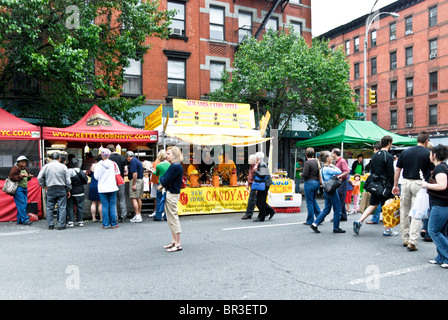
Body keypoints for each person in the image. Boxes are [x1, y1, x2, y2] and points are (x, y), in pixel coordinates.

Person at [393, 131, 432, 251]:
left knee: (404, 211)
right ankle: (412, 241)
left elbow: (398, 170)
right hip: (420, 184)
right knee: (417, 212)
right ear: (426, 141)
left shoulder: (405, 152)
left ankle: (405, 238)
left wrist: (395, 185)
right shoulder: (428, 153)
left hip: (405, 182)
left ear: (417, 140)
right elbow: (431, 172)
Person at [353, 136, 397, 236]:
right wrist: (394, 186)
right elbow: (391, 173)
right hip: (385, 185)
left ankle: (359, 221)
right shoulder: (388, 156)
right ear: (389, 143)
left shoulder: (375, 155)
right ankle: (387, 229)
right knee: (387, 206)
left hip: (375, 184)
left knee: (374, 204)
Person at [421, 144, 448, 269]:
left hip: (440, 205)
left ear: (435, 155)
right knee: (442, 231)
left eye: (431, 153)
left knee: (433, 230)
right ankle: (440, 257)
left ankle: (446, 255)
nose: (429, 155)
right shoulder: (444, 167)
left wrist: (426, 185)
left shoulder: (439, 168)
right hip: (443, 205)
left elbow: (442, 185)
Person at [310, 151, 345, 233]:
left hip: (326, 190)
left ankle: (315, 224)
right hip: (332, 190)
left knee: (327, 209)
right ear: (327, 159)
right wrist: (333, 166)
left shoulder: (322, 168)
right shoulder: (328, 169)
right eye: (330, 157)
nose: (332, 158)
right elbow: (339, 171)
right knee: (337, 209)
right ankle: (336, 227)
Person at [37, 152, 72, 230]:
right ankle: (61, 225)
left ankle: (51, 225)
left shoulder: (46, 166)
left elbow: (39, 177)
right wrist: (68, 189)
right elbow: (68, 180)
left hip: (50, 189)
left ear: (51, 158)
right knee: (62, 207)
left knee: (49, 207)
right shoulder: (63, 167)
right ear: (59, 159)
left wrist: (44, 186)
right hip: (61, 188)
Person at [159, 146, 184, 252]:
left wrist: (161, 179)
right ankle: (174, 241)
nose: (166, 156)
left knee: (173, 218)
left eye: (168, 154)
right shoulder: (175, 165)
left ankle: (177, 244)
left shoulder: (175, 166)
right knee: (170, 218)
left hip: (172, 193)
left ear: (174, 155)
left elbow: (164, 180)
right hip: (172, 193)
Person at [94, 148, 119, 229]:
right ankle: (114, 223)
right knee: (112, 205)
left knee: (105, 206)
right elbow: (118, 173)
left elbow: (96, 177)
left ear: (101, 155)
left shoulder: (98, 165)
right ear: (109, 155)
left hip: (102, 188)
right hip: (112, 187)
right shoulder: (113, 163)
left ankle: (105, 224)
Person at [8, 155, 34, 225]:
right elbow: (11, 177)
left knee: (24, 204)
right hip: (18, 188)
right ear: (18, 162)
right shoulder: (15, 168)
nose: (24, 163)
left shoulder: (25, 169)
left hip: (24, 188)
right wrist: (21, 176)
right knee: (21, 203)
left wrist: (29, 177)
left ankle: (19, 219)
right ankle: (25, 220)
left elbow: (27, 178)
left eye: (25, 161)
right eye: (22, 161)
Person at [301, 148, 322, 225]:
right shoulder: (317, 161)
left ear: (306, 155)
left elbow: (305, 174)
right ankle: (320, 217)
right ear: (313, 154)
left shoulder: (307, 163)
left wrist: (301, 174)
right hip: (316, 182)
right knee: (313, 200)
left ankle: (310, 220)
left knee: (309, 202)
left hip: (309, 182)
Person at [253, 152, 275, 222]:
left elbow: (262, 175)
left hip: (264, 184)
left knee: (261, 200)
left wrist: (255, 171)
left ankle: (261, 217)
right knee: (260, 200)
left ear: (257, 158)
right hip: (264, 184)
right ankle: (270, 211)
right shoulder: (262, 164)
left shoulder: (262, 164)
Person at [107, 144, 127, 223]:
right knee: (122, 199)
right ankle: (123, 216)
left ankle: (115, 216)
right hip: (120, 180)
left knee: (113, 200)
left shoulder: (108, 158)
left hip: (111, 181)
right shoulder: (122, 157)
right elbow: (126, 170)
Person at [67, 158, 88, 227]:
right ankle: (80, 221)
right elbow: (85, 181)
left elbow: (66, 181)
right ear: (78, 164)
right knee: (80, 206)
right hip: (80, 191)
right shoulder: (81, 171)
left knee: (70, 207)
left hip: (71, 192)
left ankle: (70, 221)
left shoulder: (68, 171)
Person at [332, 148, 351, 221]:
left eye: (332, 153)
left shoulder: (342, 161)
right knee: (341, 199)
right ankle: (343, 216)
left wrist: (339, 176)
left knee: (340, 199)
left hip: (342, 182)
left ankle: (338, 216)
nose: (331, 154)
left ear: (335, 154)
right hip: (340, 181)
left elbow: (347, 171)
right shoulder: (338, 161)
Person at [126, 151, 144, 223]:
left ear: (128, 156)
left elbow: (135, 173)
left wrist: (134, 184)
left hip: (136, 181)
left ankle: (137, 215)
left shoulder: (133, 162)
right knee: (138, 198)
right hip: (140, 180)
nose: (127, 159)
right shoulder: (137, 160)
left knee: (133, 198)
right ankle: (138, 215)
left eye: (127, 157)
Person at [152, 150, 170, 221]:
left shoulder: (158, 165)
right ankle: (166, 216)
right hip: (167, 183)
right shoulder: (169, 164)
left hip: (161, 183)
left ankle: (158, 216)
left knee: (159, 199)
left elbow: (156, 174)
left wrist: (152, 169)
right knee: (166, 199)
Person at [242, 154, 257, 220]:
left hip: (255, 184)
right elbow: (250, 176)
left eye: (249, 159)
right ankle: (269, 210)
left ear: (253, 160)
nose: (248, 160)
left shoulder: (256, 167)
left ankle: (248, 214)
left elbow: (257, 177)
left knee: (251, 199)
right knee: (258, 200)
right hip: (252, 184)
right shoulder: (251, 166)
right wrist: (248, 184)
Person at [88, 155, 102, 222]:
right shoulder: (101, 166)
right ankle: (101, 218)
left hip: (93, 184)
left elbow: (90, 174)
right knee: (100, 202)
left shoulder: (92, 165)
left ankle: (93, 218)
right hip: (99, 185)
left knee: (93, 203)